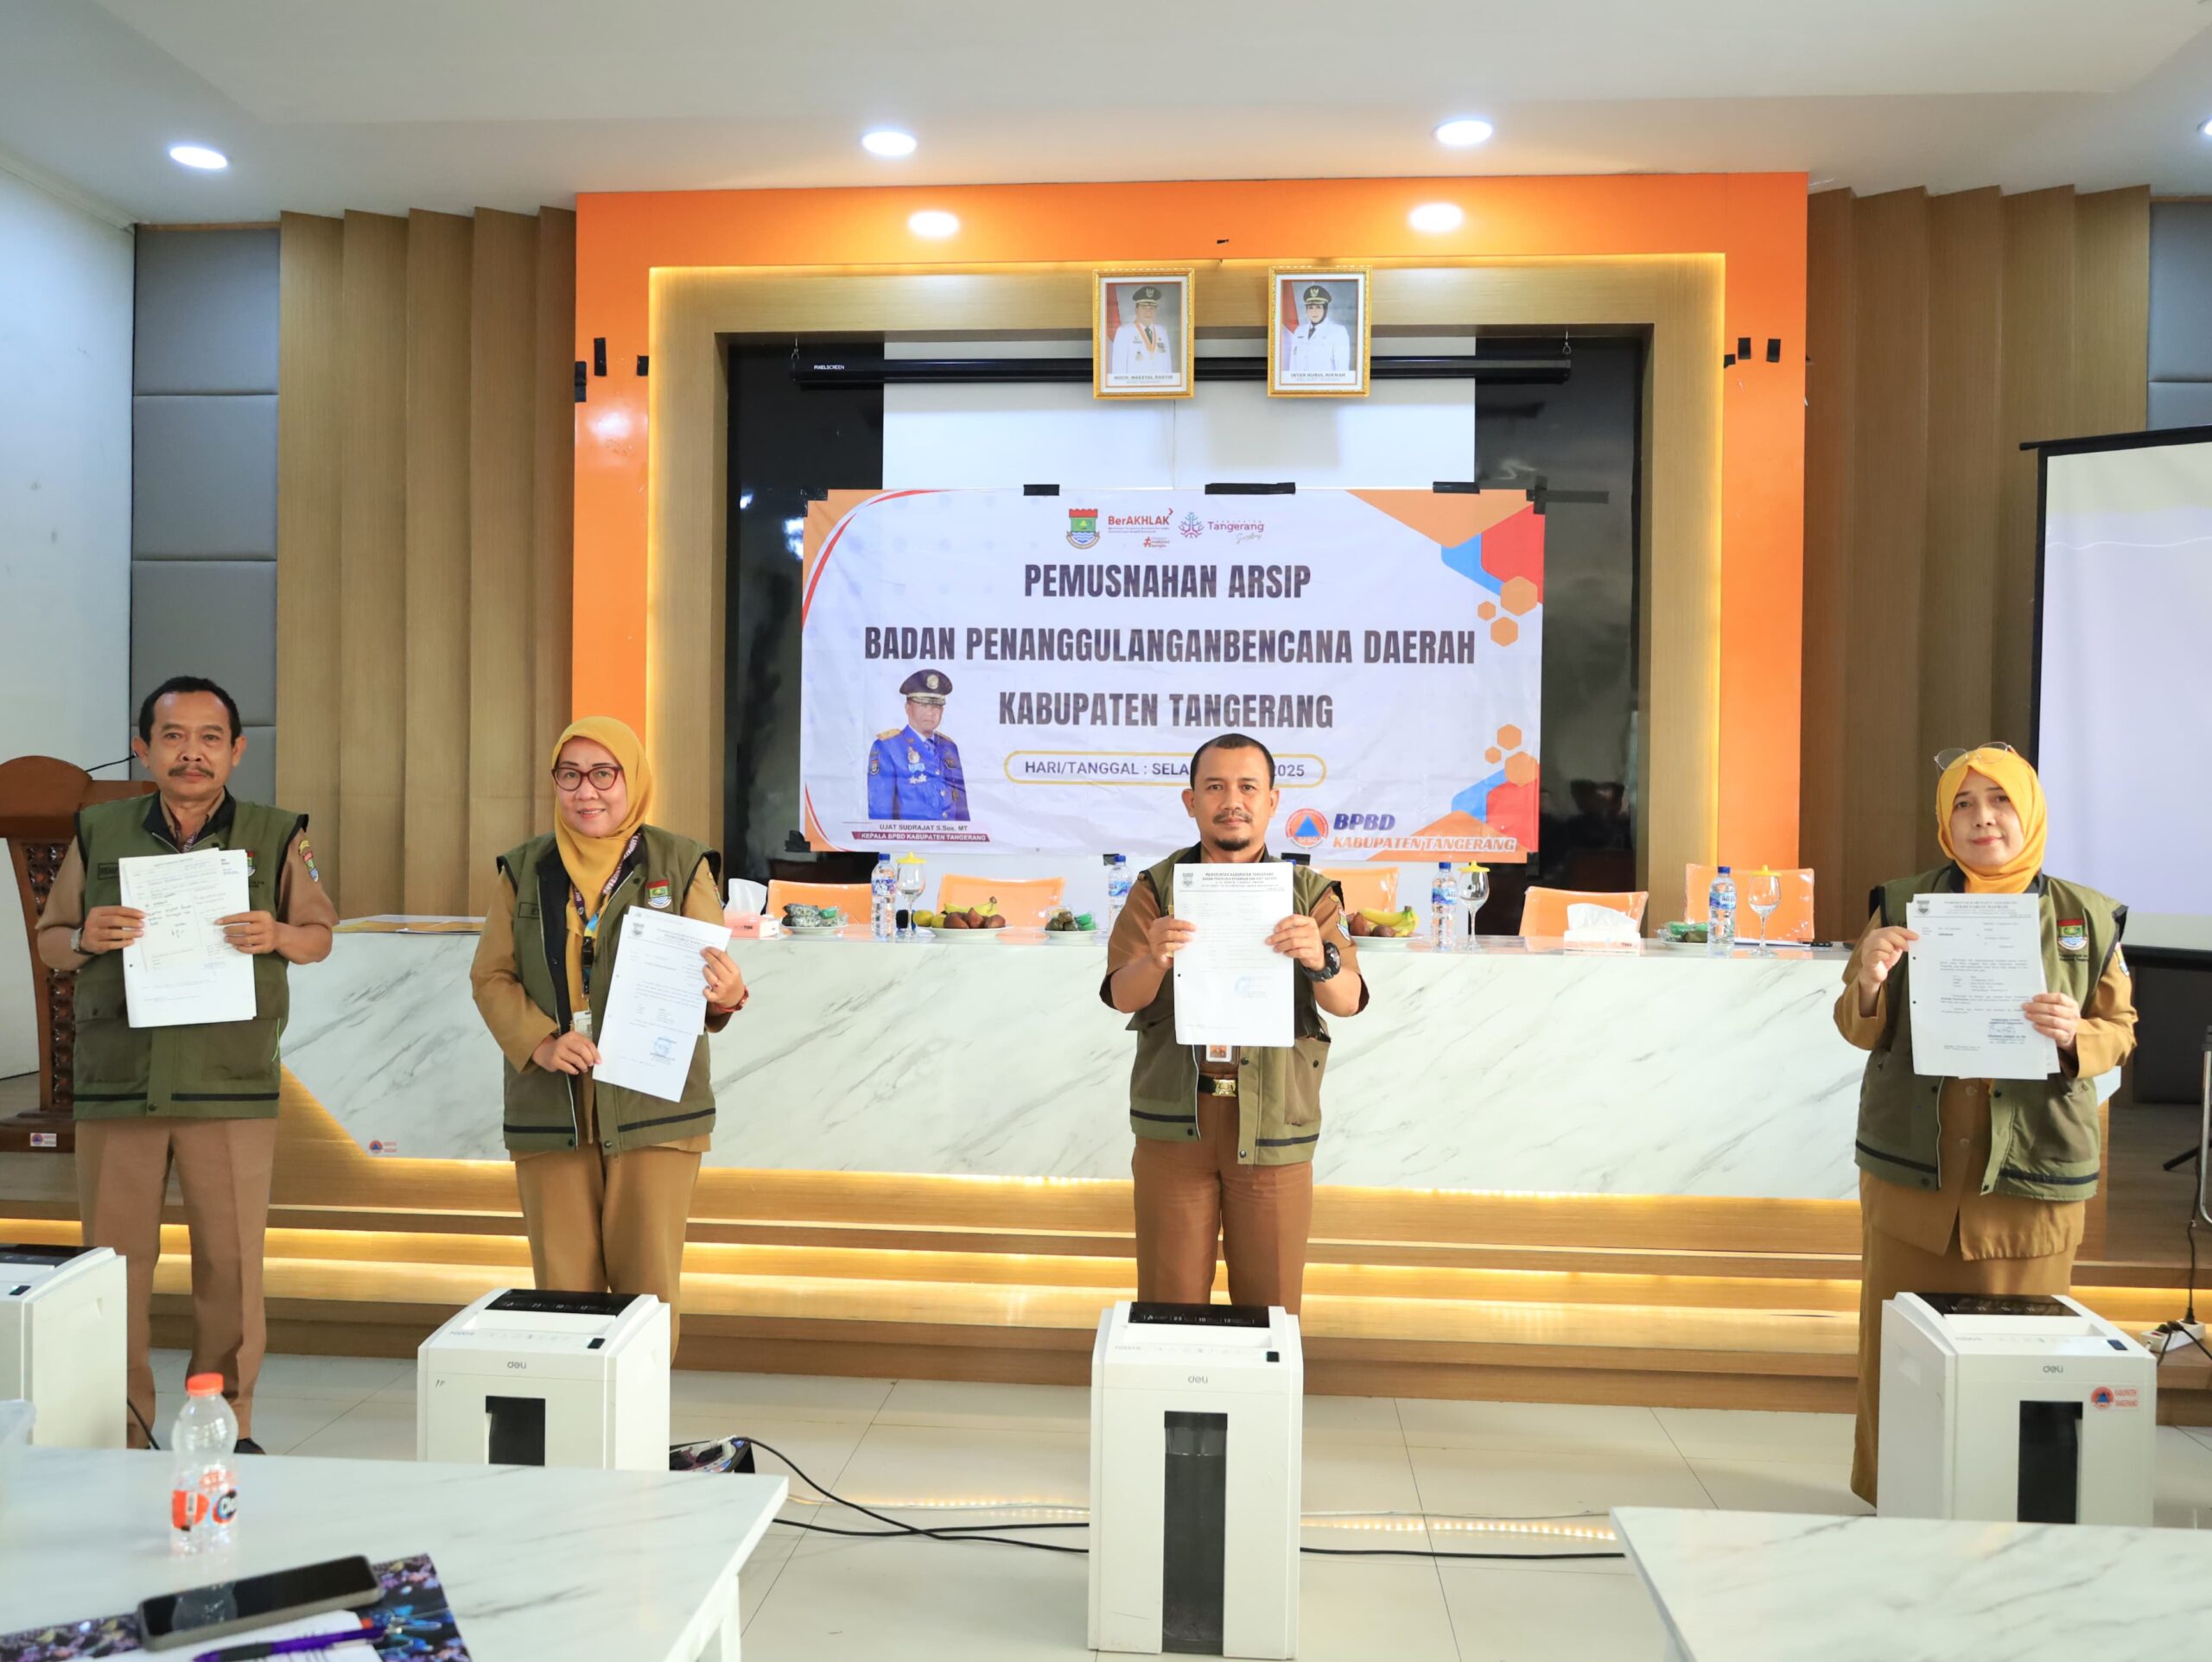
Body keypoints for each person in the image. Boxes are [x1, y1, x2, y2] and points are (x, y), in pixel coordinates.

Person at [35, 676, 336, 1450]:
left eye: (209, 737)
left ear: (237, 750)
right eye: (173, 736)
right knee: (111, 1269)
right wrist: (84, 937)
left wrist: (277, 935)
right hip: (120, 1079)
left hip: (227, 1081)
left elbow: (319, 935)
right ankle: (119, 1429)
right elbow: (50, 939)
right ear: (144, 748)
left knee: (230, 1266)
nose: (191, 753)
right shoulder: (99, 830)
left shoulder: (276, 833)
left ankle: (228, 1425)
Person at [1837, 743, 2136, 1505]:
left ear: (2029, 810)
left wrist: (2075, 1035)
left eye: (2000, 800)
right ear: (1945, 820)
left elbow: (2120, 1029)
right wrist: (1869, 981)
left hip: (2030, 1175)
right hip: (1916, 1175)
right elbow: (1857, 1024)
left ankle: (2008, 1505)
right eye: (1964, 804)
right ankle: (1893, 1495)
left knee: (2023, 1359)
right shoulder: (1902, 904)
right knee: (1899, 1354)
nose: (1983, 819)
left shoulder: (2086, 916)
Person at [468, 716, 747, 1354]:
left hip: (654, 1110)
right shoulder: (524, 869)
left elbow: (711, 981)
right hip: (553, 1108)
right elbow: (491, 976)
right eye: (569, 776)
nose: (586, 791)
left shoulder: (681, 864)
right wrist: (541, 1042)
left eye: (603, 774)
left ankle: (639, 1417)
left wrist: (727, 994)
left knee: (648, 1294)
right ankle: (577, 1418)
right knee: (564, 1293)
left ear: (633, 780)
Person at [1101, 733, 1369, 1313]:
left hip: (1273, 1120)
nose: (1232, 801)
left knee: (1272, 1310)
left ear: (1272, 801)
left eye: (1248, 787)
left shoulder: (1308, 893)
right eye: (1215, 787)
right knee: (1169, 1307)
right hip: (1177, 1121)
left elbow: (1348, 1000)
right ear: (1190, 800)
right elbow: (1122, 995)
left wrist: (1318, 959)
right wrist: (1155, 959)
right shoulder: (1156, 889)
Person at [867, 669, 969, 821]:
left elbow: (962, 812)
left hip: (950, 836)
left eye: (936, 706)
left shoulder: (949, 747)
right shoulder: (888, 747)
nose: (930, 712)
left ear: (942, 710)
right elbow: (881, 815)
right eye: (923, 705)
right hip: (911, 836)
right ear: (908, 708)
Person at [1108, 283, 1177, 383]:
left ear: (1156, 310)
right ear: (1136, 309)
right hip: (1134, 389)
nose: (1148, 312)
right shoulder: (1124, 332)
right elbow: (1118, 372)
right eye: (1144, 308)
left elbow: (1167, 368)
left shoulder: (1162, 332)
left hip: (1159, 388)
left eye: (1152, 308)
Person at [1283, 282, 1351, 377]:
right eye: (1310, 307)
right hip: (1300, 385)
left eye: (1318, 307)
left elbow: (1342, 372)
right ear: (1306, 310)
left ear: (1325, 309)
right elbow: (1293, 367)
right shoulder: (1299, 331)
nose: (1314, 312)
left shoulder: (1338, 332)